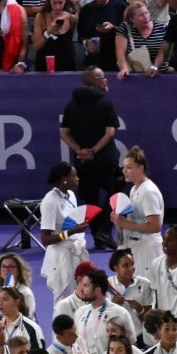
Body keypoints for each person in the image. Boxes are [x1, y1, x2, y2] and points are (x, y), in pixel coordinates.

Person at [59, 67, 121, 249]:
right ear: (93, 80)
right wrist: (94, 150)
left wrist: (80, 150)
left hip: (81, 161)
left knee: (90, 199)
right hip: (105, 158)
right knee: (117, 192)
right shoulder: (106, 103)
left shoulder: (71, 104)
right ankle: (104, 229)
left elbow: (63, 132)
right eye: (102, 77)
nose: (106, 80)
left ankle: (97, 236)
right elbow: (110, 131)